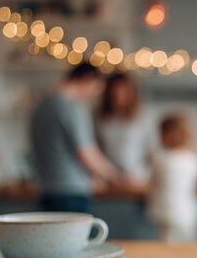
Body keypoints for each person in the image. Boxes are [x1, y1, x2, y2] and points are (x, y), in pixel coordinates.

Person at [30, 63, 124, 213]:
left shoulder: (41, 106)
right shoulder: (73, 107)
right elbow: (85, 152)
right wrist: (115, 176)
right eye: (95, 90)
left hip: (46, 189)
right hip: (71, 192)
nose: (94, 96)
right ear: (87, 80)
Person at [148, 113, 197, 242]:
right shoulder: (194, 157)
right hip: (188, 213)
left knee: (168, 250)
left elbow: (152, 181)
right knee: (187, 248)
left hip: (166, 212)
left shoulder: (159, 158)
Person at [97, 73, 153, 184]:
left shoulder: (143, 117)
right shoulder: (99, 118)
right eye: (114, 94)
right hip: (107, 179)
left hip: (137, 178)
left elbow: (151, 151)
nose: (118, 98)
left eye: (122, 94)